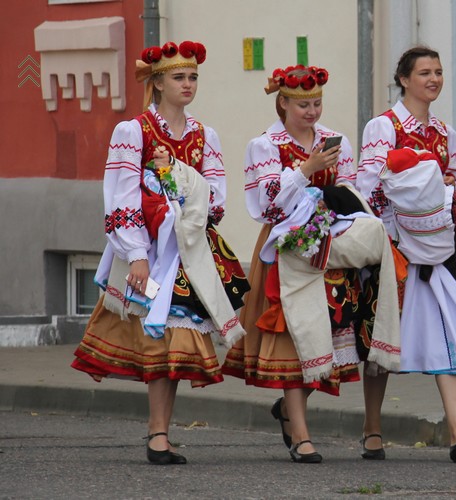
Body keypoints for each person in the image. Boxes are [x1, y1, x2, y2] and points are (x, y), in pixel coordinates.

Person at [71, 40, 250, 465]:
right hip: (150, 249)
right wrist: (136, 252)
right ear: (156, 82)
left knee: (176, 343)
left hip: (188, 249)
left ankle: (161, 434)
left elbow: (216, 198)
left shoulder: (206, 135)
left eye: (192, 77)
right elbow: (120, 196)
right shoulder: (133, 131)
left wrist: (187, 205)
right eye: (178, 77)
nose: (188, 85)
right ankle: (158, 435)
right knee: (158, 340)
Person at [222, 64, 401, 464]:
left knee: (326, 334)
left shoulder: (336, 140)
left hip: (334, 250)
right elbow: (266, 204)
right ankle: (301, 433)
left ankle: (289, 412)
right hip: (288, 251)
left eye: (317, 103)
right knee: (295, 335)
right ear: (282, 102)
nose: (312, 111)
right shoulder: (265, 145)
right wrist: (305, 172)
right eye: (303, 104)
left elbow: (351, 190)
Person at [358, 46, 456, 463]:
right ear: (404, 79)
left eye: (438, 72)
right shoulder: (382, 127)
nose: (434, 79)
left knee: (449, 335)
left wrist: (450, 194)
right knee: (382, 338)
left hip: (436, 251)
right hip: (396, 249)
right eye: (425, 72)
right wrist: (394, 238)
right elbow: (370, 187)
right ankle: (372, 427)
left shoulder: (445, 132)